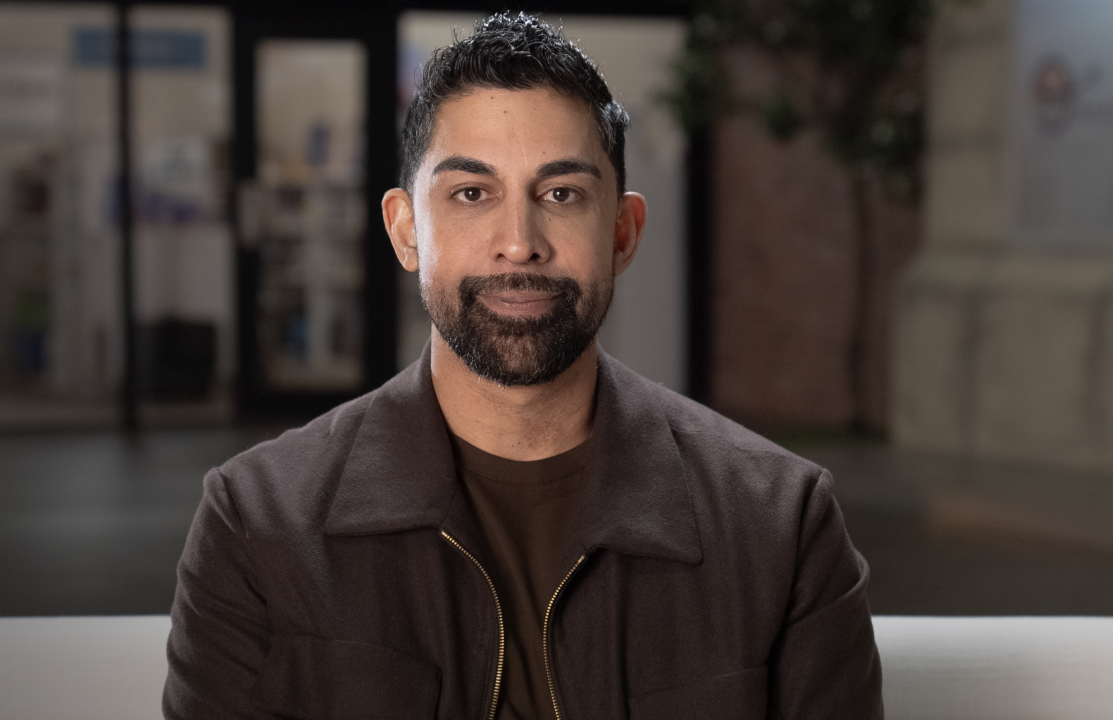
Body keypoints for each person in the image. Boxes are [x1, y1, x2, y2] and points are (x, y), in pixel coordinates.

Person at [164, 13, 882, 720]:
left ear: (622, 233)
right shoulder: (258, 523)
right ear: (406, 230)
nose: (519, 243)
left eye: (561, 194)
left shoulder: (779, 526)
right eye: (472, 193)